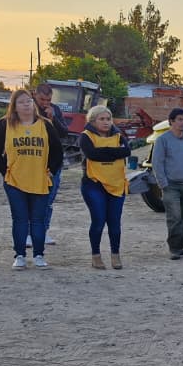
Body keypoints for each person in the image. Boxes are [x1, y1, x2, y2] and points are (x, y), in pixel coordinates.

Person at [0, 88, 64, 270]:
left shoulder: (45, 124)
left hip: (40, 180)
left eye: (29, 101)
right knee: (20, 219)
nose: (26, 105)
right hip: (15, 181)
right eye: (21, 102)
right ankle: (20, 255)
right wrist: (5, 171)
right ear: (14, 106)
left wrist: (51, 171)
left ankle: (39, 255)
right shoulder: (6, 124)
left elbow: (58, 151)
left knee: (38, 219)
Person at [79, 105, 131, 269]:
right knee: (99, 221)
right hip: (94, 184)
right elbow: (92, 154)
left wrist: (104, 151)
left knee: (114, 223)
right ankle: (96, 256)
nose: (106, 122)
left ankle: (115, 255)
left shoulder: (119, 136)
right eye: (101, 119)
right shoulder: (86, 136)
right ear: (93, 121)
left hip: (116, 184)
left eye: (108, 119)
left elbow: (126, 152)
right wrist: (114, 152)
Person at [151, 108, 183, 260]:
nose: (182, 123)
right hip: (171, 186)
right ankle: (174, 248)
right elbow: (157, 163)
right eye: (179, 119)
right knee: (175, 217)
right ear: (171, 121)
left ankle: (180, 246)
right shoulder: (163, 140)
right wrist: (163, 183)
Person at [34, 84, 69, 246]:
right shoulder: (27, 109)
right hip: (33, 160)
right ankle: (29, 232)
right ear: (35, 95)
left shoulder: (55, 110)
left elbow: (64, 132)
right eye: (42, 99)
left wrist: (52, 118)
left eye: (48, 100)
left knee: (48, 199)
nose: (45, 103)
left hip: (53, 161)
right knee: (32, 199)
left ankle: (43, 231)